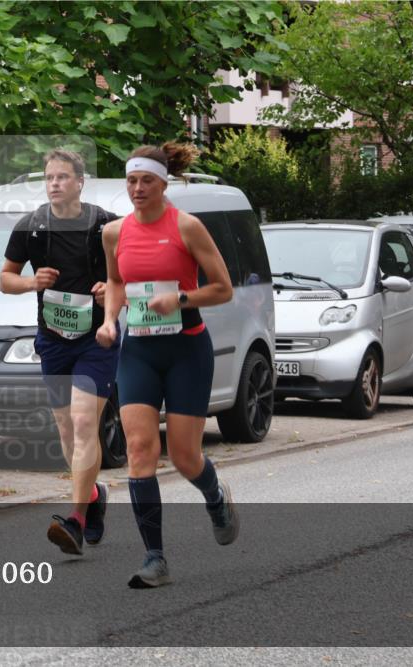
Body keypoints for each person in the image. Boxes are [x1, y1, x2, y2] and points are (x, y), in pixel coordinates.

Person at [96, 142, 239, 588]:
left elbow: (223, 289)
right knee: (140, 450)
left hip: (186, 350)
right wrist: (108, 320)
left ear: (164, 183)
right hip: (138, 351)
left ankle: (215, 496)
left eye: (147, 181)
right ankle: (154, 557)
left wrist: (178, 298)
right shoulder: (114, 233)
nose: (137, 189)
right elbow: (117, 281)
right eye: (132, 181)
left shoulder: (188, 227)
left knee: (184, 455)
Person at [0, 149, 120, 556]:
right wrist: (32, 284)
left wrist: (109, 288)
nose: (55, 184)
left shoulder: (105, 225)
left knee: (86, 423)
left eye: (63, 177)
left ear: (80, 182)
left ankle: (75, 519)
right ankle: (93, 494)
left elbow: (131, 273)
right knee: (67, 432)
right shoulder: (31, 226)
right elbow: (5, 279)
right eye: (50, 177)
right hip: (53, 338)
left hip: (96, 337)